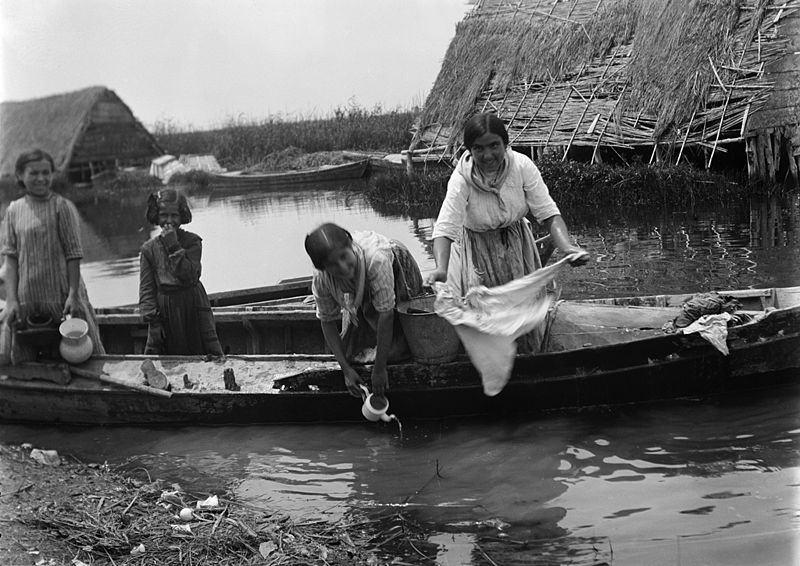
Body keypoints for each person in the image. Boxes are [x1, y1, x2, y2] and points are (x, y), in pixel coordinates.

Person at [425, 113, 588, 352]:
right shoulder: (461, 178)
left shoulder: (521, 166)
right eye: (478, 149)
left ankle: (529, 358)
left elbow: (549, 214)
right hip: (478, 249)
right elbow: (445, 228)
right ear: (469, 150)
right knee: (487, 316)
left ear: (505, 144)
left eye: (494, 146)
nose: (487, 155)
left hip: (517, 244)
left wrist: (566, 247)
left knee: (524, 312)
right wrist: (441, 268)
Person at [0, 149, 105, 364]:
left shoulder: (61, 207)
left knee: (79, 357)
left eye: (46, 173)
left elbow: (73, 254)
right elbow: (10, 259)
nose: (41, 178)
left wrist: (74, 295)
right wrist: (11, 300)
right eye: (34, 173)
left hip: (62, 296)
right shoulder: (13, 210)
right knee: (24, 362)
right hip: (28, 297)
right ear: (20, 175)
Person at [304, 223, 424, 398]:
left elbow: (386, 314)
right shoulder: (322, 279)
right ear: (324, 268)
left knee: (403, 345)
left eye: (344, 257)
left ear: (351, 245)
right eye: (333, 265)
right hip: (360, 286)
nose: (343, 267)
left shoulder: (377, 260)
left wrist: (380, 369)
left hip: (398, 268)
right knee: (351, 353)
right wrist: (346, 370)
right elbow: (327, 322)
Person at [139, 189, 223, 356]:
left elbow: (190, 275)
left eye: (174, 215)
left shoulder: (193, 242)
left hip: (193, 306)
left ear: (182, 216)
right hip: (166, 311)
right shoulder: (149, 249)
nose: (169, 221)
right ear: (156, 215)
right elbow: (147, 291)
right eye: (164, 215)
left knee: (205, 353)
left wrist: (173, 245)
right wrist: (153, 322)